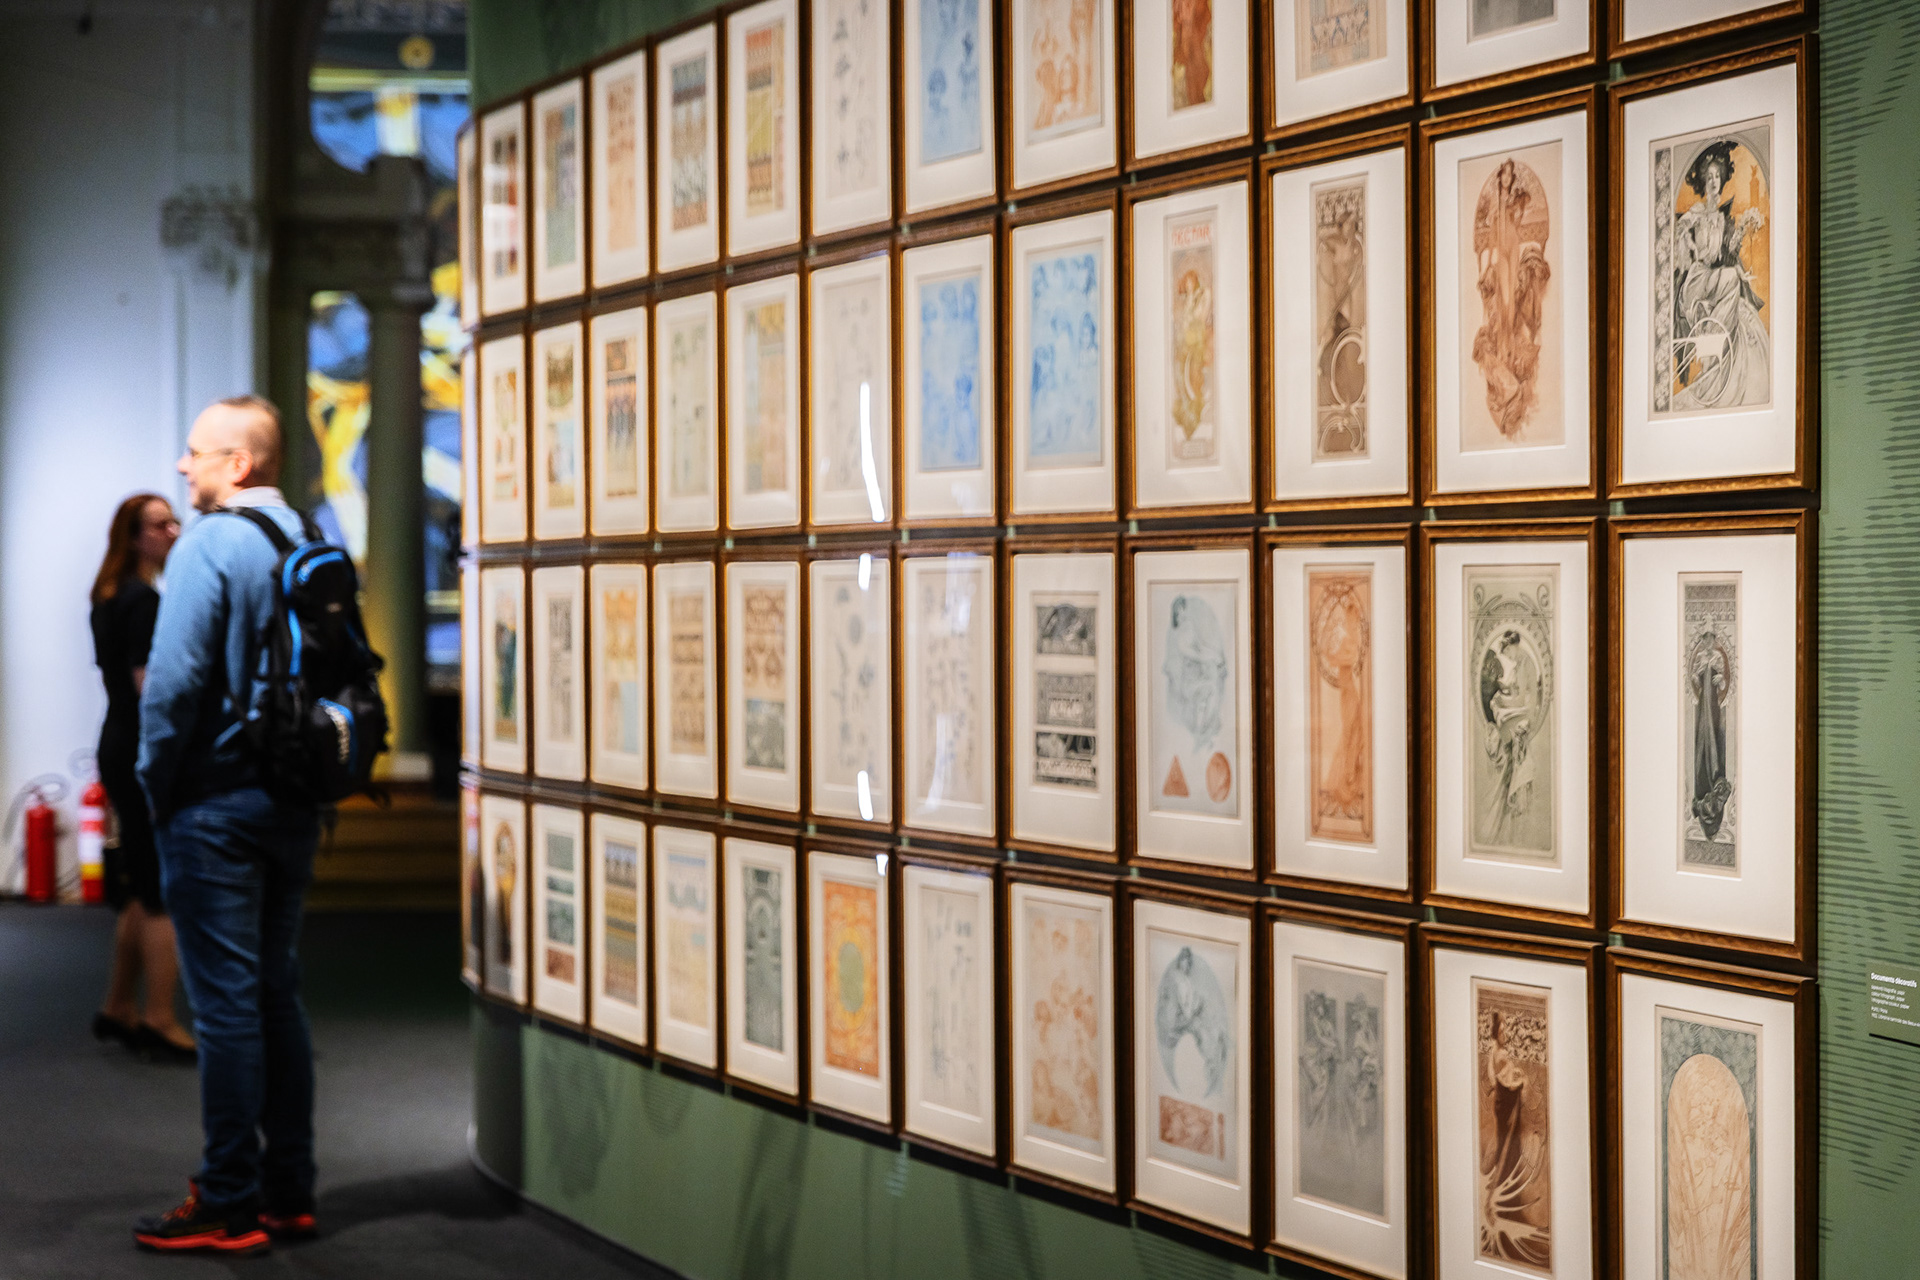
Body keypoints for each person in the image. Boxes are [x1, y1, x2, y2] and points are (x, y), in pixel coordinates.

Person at [133, 395, 320, 1257]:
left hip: (214, 805)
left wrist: (153, 785)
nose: (183, 465)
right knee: (276, 994)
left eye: (196, 452)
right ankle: (289, 1192)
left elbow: (172, 685)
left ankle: (229, 1199)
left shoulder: (211, 543)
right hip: (293, 801)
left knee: (225, 1007)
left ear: (238, 465)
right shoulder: (306, 537)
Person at [88, 492, 194, 1062]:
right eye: (159, 524)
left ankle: (119, 1007)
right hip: (140, 752)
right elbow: (149, 689)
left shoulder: (108, 595)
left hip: (117, 743)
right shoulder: (143, 601)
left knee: (138, 884)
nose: (173, 531)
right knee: (160, 892)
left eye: (174, 521)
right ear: (133, 537)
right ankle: (159, 1017)